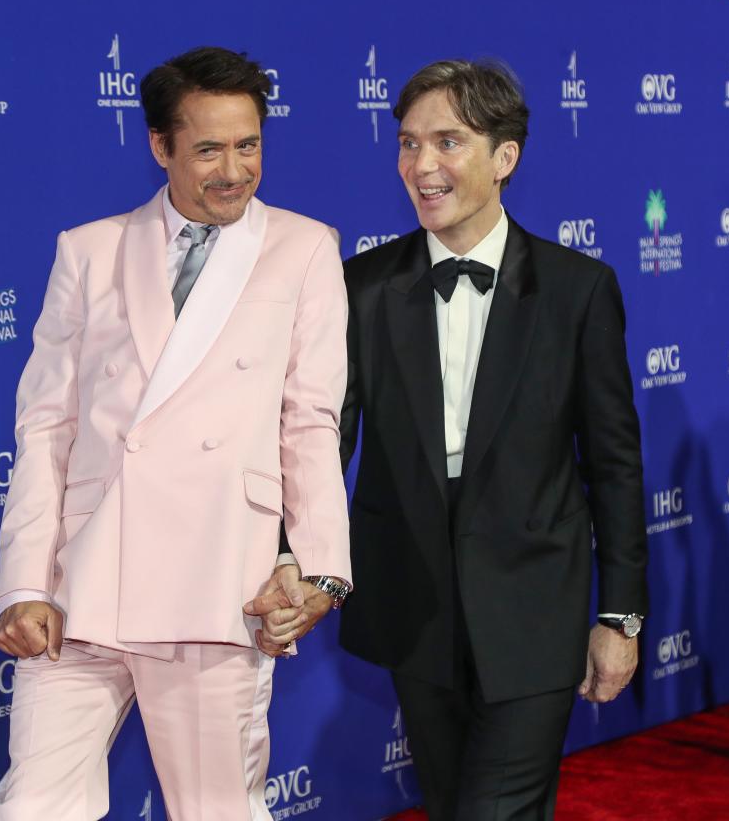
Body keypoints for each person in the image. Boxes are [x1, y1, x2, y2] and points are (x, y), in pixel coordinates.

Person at [256, 59, 649, 820]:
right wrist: (287, 552)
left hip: (536, 607)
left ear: (506, 158)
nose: (421, 166)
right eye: (408, 144)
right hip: (415, 607)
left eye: (448, 142)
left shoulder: (578, 289)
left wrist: (620, 616)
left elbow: (615, 464)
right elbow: (321, 438)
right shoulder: (363, 286)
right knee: (450, 803)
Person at [0, 46, 351, 821]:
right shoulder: (88, 250)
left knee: (216, 811)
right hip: (83, 583)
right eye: (209, 149)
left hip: (219, 581)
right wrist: (24, 583)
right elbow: (46, 426)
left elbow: (310, 422)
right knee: (32, 809)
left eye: (249, 145)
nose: (235, 171)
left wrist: (321, 570)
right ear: (160, 146)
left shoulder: (305, 247)